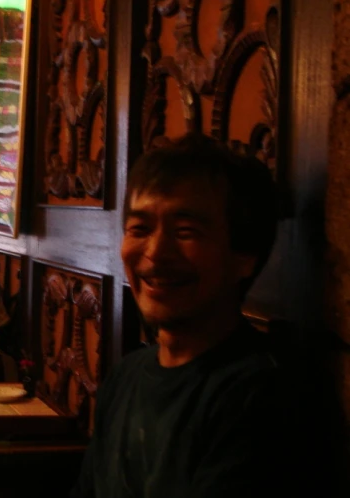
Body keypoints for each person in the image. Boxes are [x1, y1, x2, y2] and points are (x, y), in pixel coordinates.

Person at [70, 133, 330, 498]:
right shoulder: (124, 377)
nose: (156, 252)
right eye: (140, 228)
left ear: (244, 256)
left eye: (186, 231)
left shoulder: (259, 397)